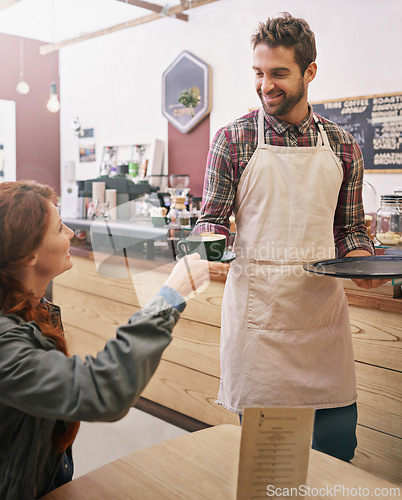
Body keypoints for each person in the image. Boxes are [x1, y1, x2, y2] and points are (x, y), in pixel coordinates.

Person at [193, 12, 388, 462]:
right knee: (269, 464)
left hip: (322, 328)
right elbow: (213, 219)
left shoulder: (342, 144)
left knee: (338, 453)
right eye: (259, 74)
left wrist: (363, 263)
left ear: (309, 72)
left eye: (279, 74)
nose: (266, 86)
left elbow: (350, 229)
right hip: (258, 332)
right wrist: (204, 247)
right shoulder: (233, 140)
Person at [0, 180, 210, 499]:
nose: (71, 233)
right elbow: (102, 388)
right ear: (27, 252)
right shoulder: (4, 344)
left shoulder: (34, 310)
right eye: (59, 229)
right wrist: (171, 296)